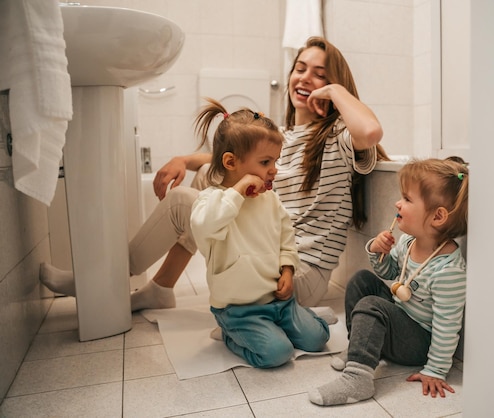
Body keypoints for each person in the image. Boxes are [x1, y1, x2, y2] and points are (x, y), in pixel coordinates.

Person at [41, 36, 387, 311]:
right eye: (300, 68)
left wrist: (335, 91)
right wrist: (186, 160)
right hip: (270, 255)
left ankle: (99, 280)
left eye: (320, 74)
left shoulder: (334, 135)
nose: (306, 78)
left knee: (182, 203)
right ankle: (160, 288)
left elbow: (370, 131)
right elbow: (231, 162)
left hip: (298, 275)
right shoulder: (285, 136)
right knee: (209, 180)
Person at [308, 157, 469, 406]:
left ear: (437, 217)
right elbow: (388, 272)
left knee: (372, 305)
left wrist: (435, 370)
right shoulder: (408, 242)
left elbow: (447, 327)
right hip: (400, 317)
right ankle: (358, 349)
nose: (397, 203)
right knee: (362, 280)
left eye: (407, 199)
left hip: (418, 342)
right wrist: (377, 249)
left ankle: (358, 378)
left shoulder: (448, 270)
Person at [188, 98, 329, 368]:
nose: (274, 169)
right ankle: (231, 333)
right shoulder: (210, 200)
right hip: (239, 310)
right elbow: (205, 225)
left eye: (275, 160)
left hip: (278, 302)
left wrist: (287, 269)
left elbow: (286, 239)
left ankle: (290, 323)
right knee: (277, 354)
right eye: (266, 162)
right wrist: (238, 192)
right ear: (231, 162)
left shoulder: (271, 200)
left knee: (318, 338)